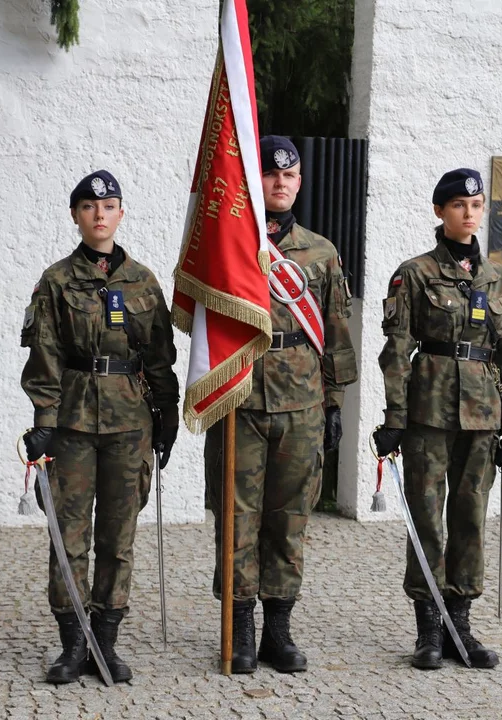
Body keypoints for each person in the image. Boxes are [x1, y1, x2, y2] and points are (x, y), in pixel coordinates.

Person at [204, 136, 357, 674]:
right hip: (240, 398)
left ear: (299, 182)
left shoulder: (321, 252)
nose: (281, 183)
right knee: (238, 517)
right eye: (271, 174)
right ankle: (240, 628)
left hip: (303, 404)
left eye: (289, 176)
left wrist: (334, 403)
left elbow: (336, 331)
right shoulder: (230, 247)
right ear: (255, 180)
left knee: (290, 518)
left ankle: (279, 631)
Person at [20, 170, 180, 685]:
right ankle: (72, 644)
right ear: (75, 215)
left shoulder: (144, 281)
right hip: (70, 422)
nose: (99, 214)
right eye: (89, 206)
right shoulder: (56, 281)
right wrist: (43, 422)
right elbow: (44, 357)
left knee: (118, 534)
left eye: (108, 205)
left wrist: (167, 414)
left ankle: (105, 641)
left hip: (129, 422)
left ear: (121, 213)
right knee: (69, 535)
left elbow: (159, 358)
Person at [373, 168, 502, 670]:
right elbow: (397, 350)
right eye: (459, 206)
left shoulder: (499, 278)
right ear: (440, 211)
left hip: (484, 415)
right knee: (426, 518)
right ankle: (428, 629)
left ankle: (459, 626)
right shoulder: (415, 273)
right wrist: (395, 416)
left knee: (469, 517)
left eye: (477, 205)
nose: (469, 214)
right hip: (429, 412)